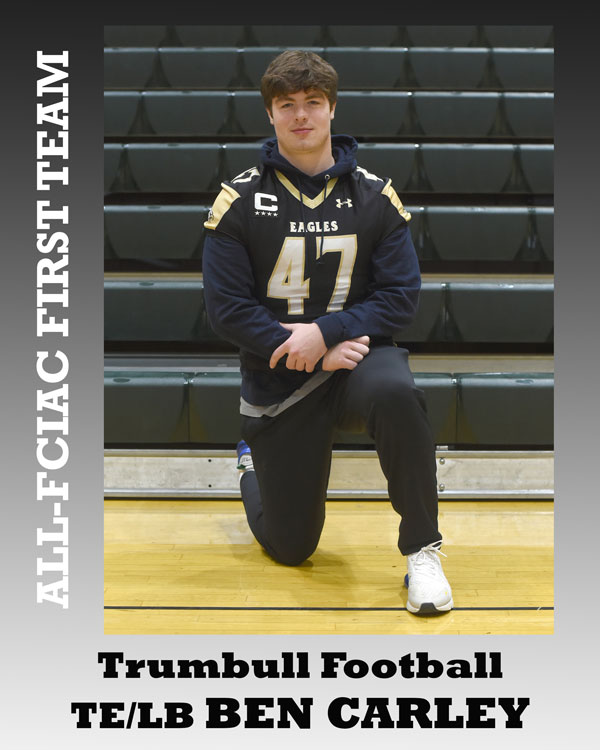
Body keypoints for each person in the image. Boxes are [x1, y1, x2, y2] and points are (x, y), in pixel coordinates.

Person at [202, 50, 452, 614]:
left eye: (312, 102)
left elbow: (401, 297)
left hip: (359, 357)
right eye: (287, 104)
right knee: (292, 548)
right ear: (270, 113)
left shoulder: (375, 196)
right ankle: (251, 464)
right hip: (280, 373)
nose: (301, 115)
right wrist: (311, 350)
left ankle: (423, 551)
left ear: (332, 108)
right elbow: (226, 309)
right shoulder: (239, 200)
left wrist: (327, 332)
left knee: (396, 391)